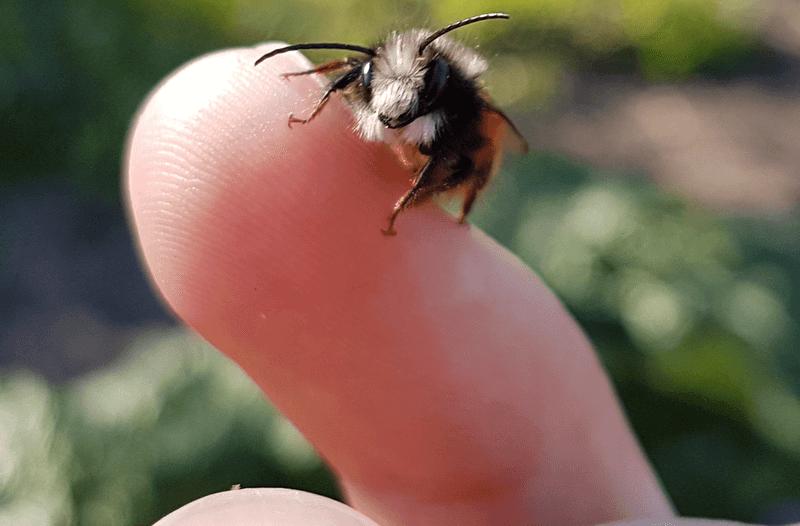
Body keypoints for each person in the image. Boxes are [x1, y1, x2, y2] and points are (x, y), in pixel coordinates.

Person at [125, 45, 779, 526]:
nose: (389, 100)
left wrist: (415, 200)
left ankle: (423, 202)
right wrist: (318, 94)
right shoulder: (385, 75)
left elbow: (472, 143)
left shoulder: (454, 109)